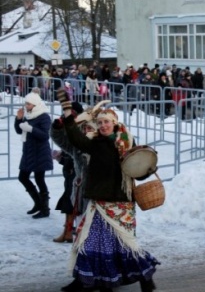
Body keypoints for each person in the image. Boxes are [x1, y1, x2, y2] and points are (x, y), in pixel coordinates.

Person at [56, 91, 159, 292]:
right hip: (99, 202)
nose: (103, 126)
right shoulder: (95, 143)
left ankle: (146, 278)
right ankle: (90, 280)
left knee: (125, 244)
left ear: (115, 123)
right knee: (88, 241)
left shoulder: (128, 143)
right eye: (100, 123)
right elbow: (76, 139)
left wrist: (148, 169)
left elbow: (136, 171)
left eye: (107, 122)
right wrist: (68, 114)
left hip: (121, 203)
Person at [14, 92, 53, 219]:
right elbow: (20, 130)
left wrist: (30, 129)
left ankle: (44, 209)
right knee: (22, 177)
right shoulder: (28, 115)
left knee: (39, 179)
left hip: (40, 152)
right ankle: (38, 203)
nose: (26, 106)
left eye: (28, 104)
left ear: (35, 104)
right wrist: (18, 119)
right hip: (29, 151)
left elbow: (45, 135)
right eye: (26, 103)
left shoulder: (44, 117)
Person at [51, 101, 84, 243]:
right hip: (69, 169)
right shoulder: (65, 123)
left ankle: (70, 231)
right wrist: (61, 158)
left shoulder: (81, 127)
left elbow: (77, 150)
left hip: (75, 171)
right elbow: (65, 144)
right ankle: (68, 231)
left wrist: (66, 162)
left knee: (71, 202)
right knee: (68, 202)